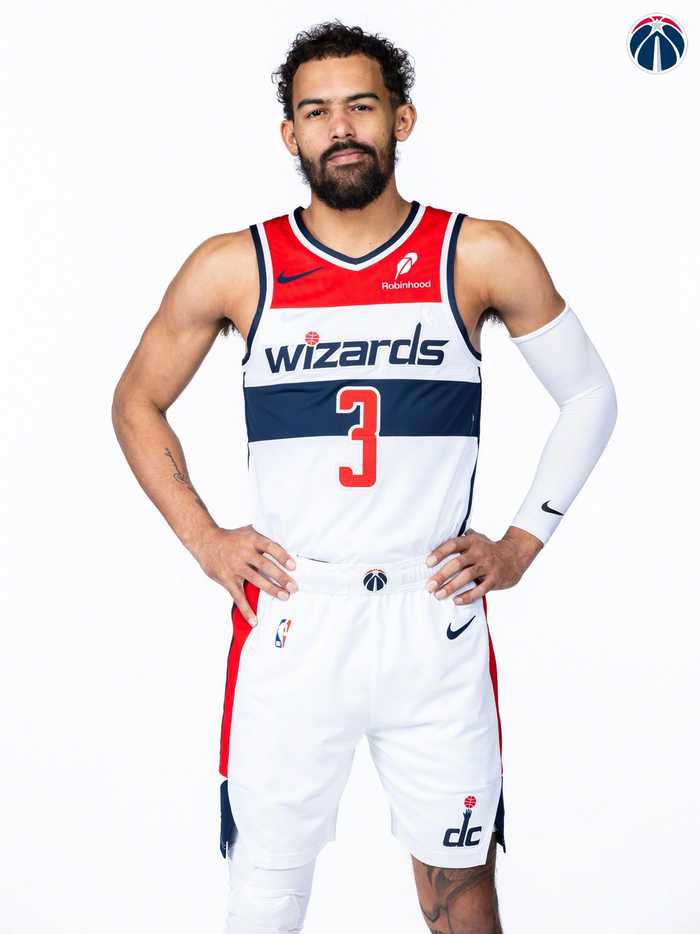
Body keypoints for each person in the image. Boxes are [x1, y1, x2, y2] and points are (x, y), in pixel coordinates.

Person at [111, 19, 617, 934]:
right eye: (316, 112)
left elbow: (589, 396)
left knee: (462, 891)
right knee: (264, 897)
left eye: (361, 105)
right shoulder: (239, 266)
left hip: (432, 611)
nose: (340, 127)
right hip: (295, 612)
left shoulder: (477, 252)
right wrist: (206, 541)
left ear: (401, 118)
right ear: (289, 134)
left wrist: (520, 544)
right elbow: (136, 402)